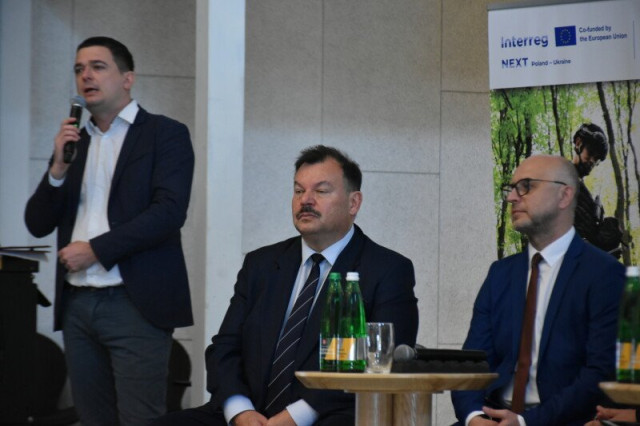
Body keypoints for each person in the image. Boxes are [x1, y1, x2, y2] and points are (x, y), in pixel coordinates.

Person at [153, 145, 419, 426]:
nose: (306, 200)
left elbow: (383, 365)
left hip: (327, 417)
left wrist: (297, 416)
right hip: (248, 415)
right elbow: (224, 349)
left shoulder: (387, 270)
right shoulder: (261, 264)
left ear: (354, 203)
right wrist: (240, 411)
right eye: (298, 190)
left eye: (321, 191)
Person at [24, 36, 195, 425]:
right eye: (79, 69)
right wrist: (57, 169)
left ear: (127, 78)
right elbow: (37, 223)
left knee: (140, 418)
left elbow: (169, 212)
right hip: (78, 304)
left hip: (134, 301)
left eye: (98, 67)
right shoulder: (75, 144)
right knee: (92, 418)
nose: (86, 75)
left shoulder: (164, 134)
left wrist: (96, 249)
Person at [451, 155, 625, 425]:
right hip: (492, 418)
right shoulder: (500, 274)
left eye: (526, 186)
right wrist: (473, 417)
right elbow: (472, 364)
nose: (512, 198)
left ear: (564, 195)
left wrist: (525, 422)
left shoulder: (605, 274)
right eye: (511, 188)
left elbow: (599, 375)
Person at [572, 123, 625, 255]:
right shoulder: (558, 176)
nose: (592, 161)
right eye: (590, 153)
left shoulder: (585, 194)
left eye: (596, 159)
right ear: (578, 143)